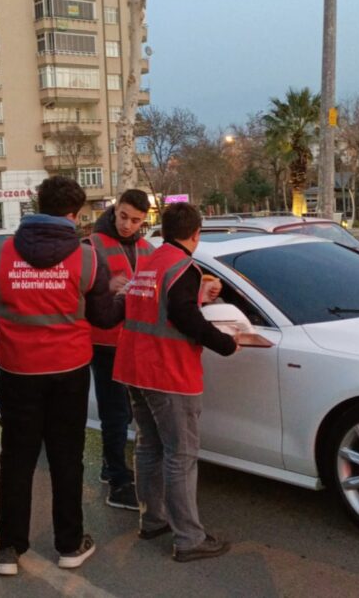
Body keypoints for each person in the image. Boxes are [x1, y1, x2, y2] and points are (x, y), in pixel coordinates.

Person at [0, 175, 123, 576]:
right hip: (69, 373)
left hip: (17, 372)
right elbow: (103, 317)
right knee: (66, 457)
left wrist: (18, 336)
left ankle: (9, 548)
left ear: (37, 205)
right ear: (74, 215)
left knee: (17, 458)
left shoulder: (0, 255)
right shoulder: (88, 258)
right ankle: (70, 544)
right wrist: (123, 297)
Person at [113, 202, 238, 563]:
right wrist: (226, 343)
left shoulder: (150, 262)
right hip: (166, 372)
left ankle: (152, 519)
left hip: (133, 367)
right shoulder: (185, 267)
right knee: (180, 455)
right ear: (196, 234)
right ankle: (189, 538)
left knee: (149, 447)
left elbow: (161, 305)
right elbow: (185, 316)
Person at [84, 190, 154, 510]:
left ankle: (111, 468)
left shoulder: (145, 247)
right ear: (115, 211)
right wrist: (105, 287)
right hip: (104, 342)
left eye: (136, 220)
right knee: (117, 413)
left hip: (133, 339)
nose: (127, 225)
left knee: (124, 412)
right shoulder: (92, 245)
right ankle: (117, 482)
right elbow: (79, 290)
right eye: (123, 216)